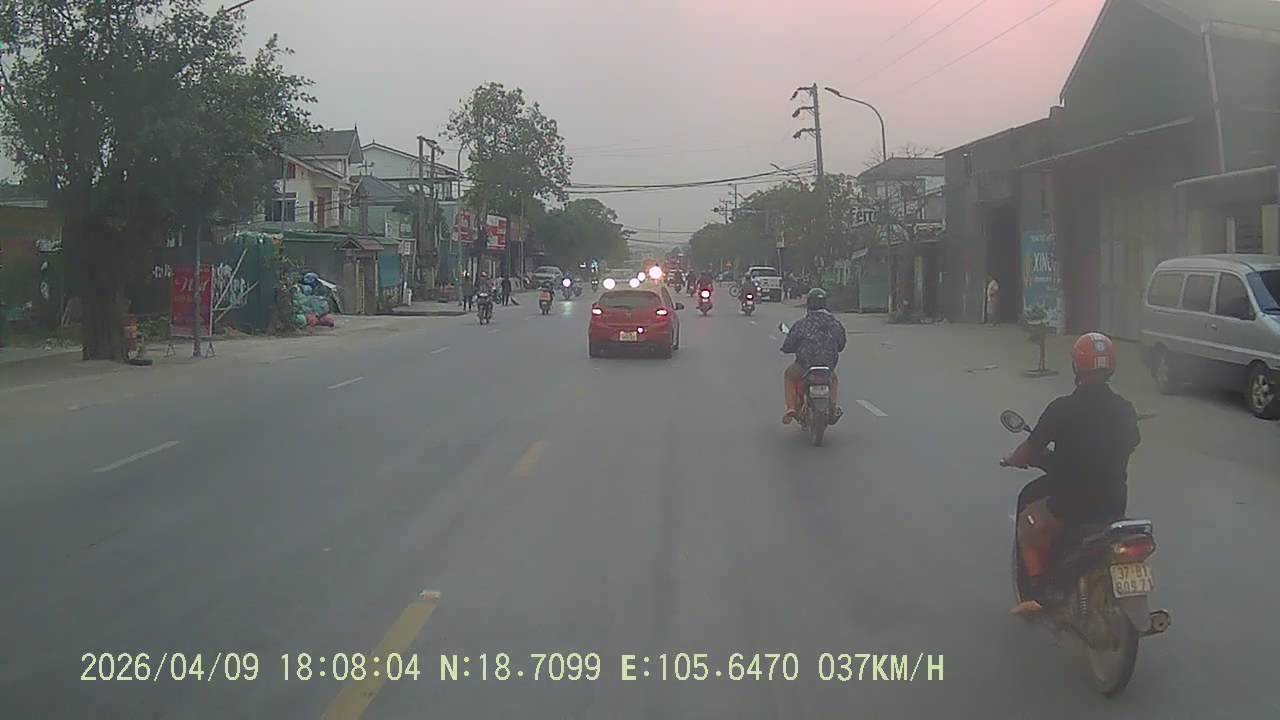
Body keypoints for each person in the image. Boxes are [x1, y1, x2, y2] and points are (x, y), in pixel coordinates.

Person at [1002, 332, 1141, 615]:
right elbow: (1130, 444)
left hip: (1070, 503)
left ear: (1077, 366)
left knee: (1028, 524)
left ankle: (1036, 594)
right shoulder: (1125, 410)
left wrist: (1013, 459)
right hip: (1114, 501)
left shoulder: (1062, 409)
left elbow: (1028, 451)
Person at [780, 288, 847, 425]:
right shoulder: (834, 324)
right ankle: (832, 407)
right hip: (827, 366)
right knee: (833, 379)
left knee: (789, 375)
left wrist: (788, 348)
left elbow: (788, 345)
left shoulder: (802, 324)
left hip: (805, 366)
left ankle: (791, 407)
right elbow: (841, 344)